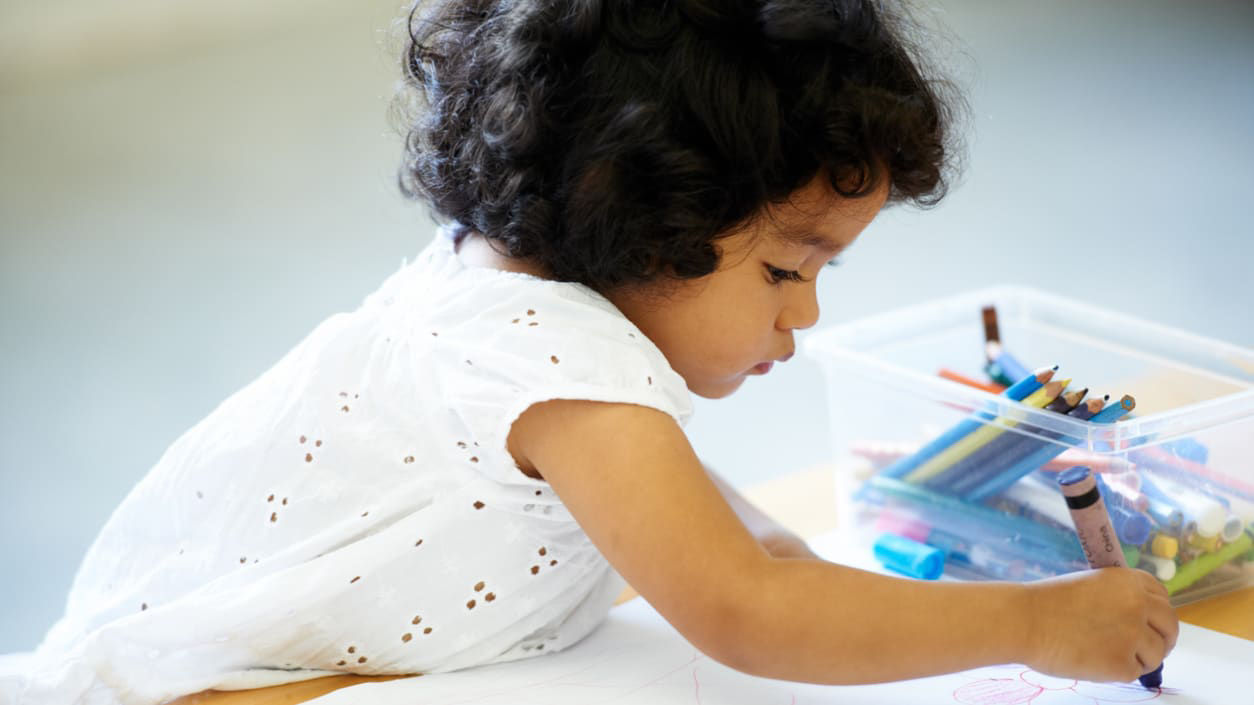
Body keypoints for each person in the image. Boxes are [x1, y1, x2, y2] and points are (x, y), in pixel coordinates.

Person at [5, 1, 1177, 703]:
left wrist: (766, 535)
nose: (806, 317)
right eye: (786, 269)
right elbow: (745, 613)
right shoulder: (555, 368)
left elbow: (702, 532)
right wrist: (1036, 625)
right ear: (635, 207)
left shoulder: (504, 278)